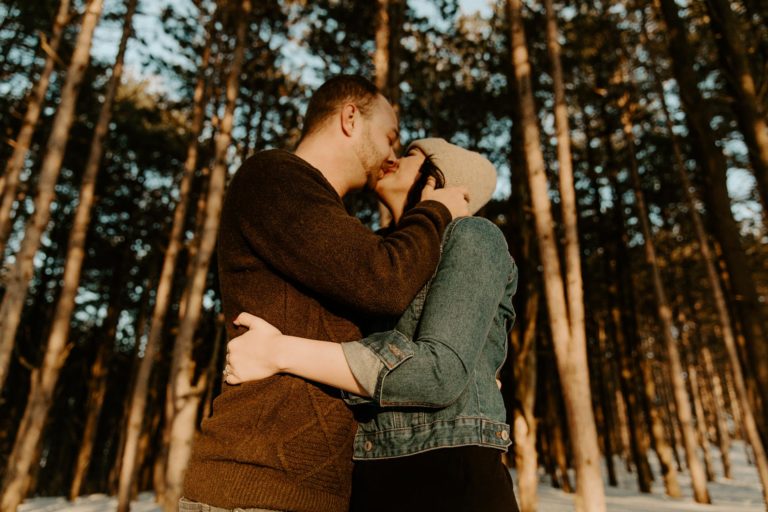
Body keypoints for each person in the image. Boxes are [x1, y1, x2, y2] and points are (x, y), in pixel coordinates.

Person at [180, 76, 469, 512]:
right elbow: (383, 281)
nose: (392, 157)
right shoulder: (274, 177)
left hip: (309, 491)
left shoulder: (331, 226)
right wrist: (438, 210)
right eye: (390, 138)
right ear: (350, 117)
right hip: (257, 483)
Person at [226, 138, 520, 512]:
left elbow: (438, 374)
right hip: (370, 475)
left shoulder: (473, 236)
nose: (393, 159)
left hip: (451, 474)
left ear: (440, 177)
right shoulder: (380, 259)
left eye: (413, 155)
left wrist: (279, 351)